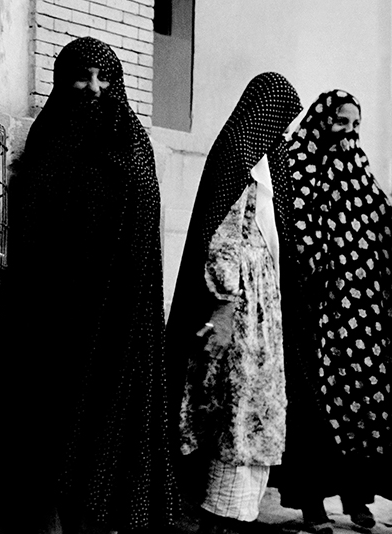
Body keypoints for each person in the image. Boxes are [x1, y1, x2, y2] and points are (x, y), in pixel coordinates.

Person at [0, 36, 180, 533]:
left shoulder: (132, 143)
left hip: (116, 315)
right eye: (82, 76)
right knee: (53, 430)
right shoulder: (49, 137)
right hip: (53, 313)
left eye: (103, 77)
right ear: (62, 79)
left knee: (103, 435)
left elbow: (142, 235)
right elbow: (26, 195)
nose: (93, 87)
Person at [166, 72, 303, 533]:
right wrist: (224, 304)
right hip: (239, 306)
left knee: (254, 402)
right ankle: (220, 516)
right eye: (280, 119)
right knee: (232, 404)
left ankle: (237, 515)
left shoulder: (267, 159)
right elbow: (222, 238)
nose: (284, 131)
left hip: (263, 304)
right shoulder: (237, 156)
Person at [276, 90, 392, 532]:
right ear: (323, 119)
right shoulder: (296, 160)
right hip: (312, 306)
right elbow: (291, 227)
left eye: (355, 125)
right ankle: (312, 506)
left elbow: (378, 214)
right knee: (315, 407)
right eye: (341, 122)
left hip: (357, 313)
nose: (348, 133)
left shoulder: (355, 165)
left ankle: (357, 500)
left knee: (360, 401)